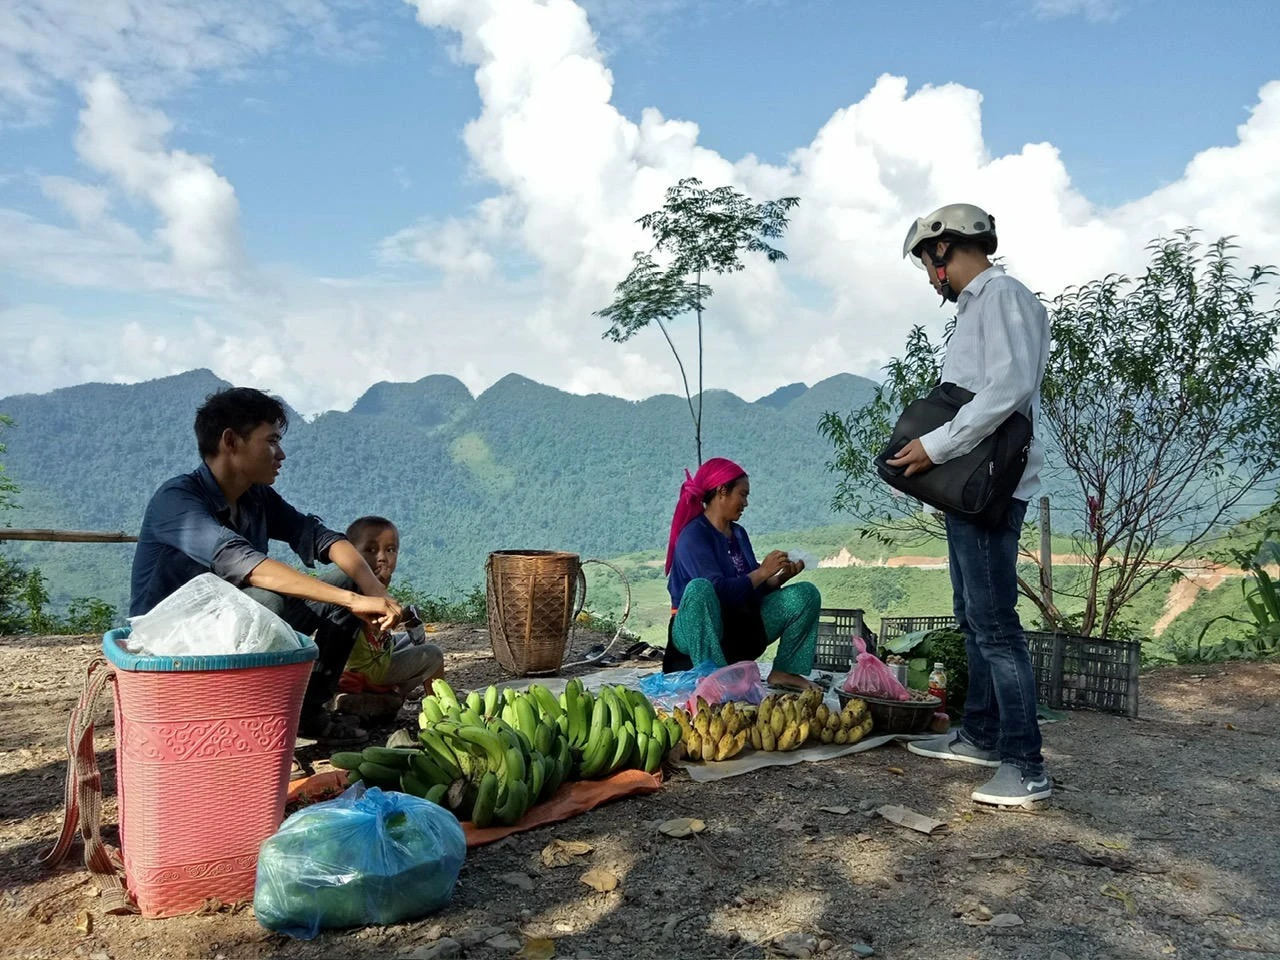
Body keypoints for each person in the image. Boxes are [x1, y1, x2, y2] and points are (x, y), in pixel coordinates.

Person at [129, 387, 402, 746]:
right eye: (271, 441)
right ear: (231, 441)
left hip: (234, 628)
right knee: (265, 603)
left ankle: (309, 713)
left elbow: (321, 537)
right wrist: (351, 603)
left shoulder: (255, 497)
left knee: (344, 581)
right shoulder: (178, 501)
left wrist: (373, 591)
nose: (281, 453)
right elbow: (250, 566)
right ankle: (246, 729)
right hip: (170, 642)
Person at [891, 203, 1052, 806]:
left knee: (995, 625)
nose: (932, 278)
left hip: (993, 489)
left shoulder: (1002, 294)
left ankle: (1026, 763)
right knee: (972, 616)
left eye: (928, 264)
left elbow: (1007, 391)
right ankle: (982, 735)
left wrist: (933, 448)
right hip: (972, 488)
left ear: (943, 249)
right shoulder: (977, 307)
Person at [663, 457, 822, 692]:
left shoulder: (738, 534)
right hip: (697, 632)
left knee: (806, 594)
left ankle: (784, 671)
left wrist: (779, 578)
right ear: (722, 491)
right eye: (743, 494)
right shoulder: (694, 536)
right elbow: (717, 592)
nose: (746, 503)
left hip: (738, 628)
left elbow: (749, 589)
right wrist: (762, 571)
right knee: (699, 589)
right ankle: (711, 678)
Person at [330, 516, 445, 720]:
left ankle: (397, 689)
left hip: (373, 653)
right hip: (364, 671)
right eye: (371, 550)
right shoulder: (355, 590)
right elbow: (372, 621)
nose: (382, 558)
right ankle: (442, 711)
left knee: (410, 639)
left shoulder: (371, 584)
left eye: (390, 550)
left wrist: (405, 614)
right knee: (433, 655)